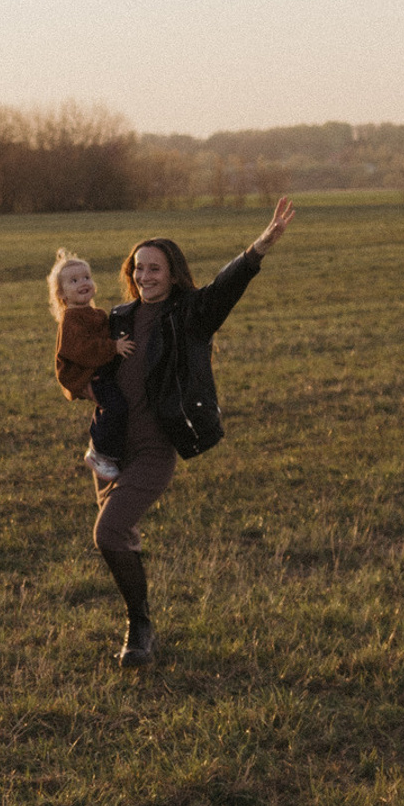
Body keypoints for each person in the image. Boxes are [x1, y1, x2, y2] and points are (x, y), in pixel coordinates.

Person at [92, 198, 295, 667]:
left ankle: (138, 626)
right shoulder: (120, 317)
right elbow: (87, 362)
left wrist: (258, 248)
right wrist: (81, 385)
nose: (145, 276)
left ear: (173, 273)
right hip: (108, 447)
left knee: (110, 532)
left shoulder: (190, 314)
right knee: (120, 537)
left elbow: (225, 287)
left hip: (154, 448)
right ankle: (141, 624)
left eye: (155, 268)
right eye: (138, 268)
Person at [48, 249, 136, 478]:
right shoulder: (71, 318)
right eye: (74, 281)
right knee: (115, 406)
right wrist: (113, 347)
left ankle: (113, 451)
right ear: (62, 294)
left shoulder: (94, 313)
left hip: (100, 371)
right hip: (87, 374)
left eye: (86, 277)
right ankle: (99, 452)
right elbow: (82, 350)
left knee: (112, 405)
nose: (83, 283)